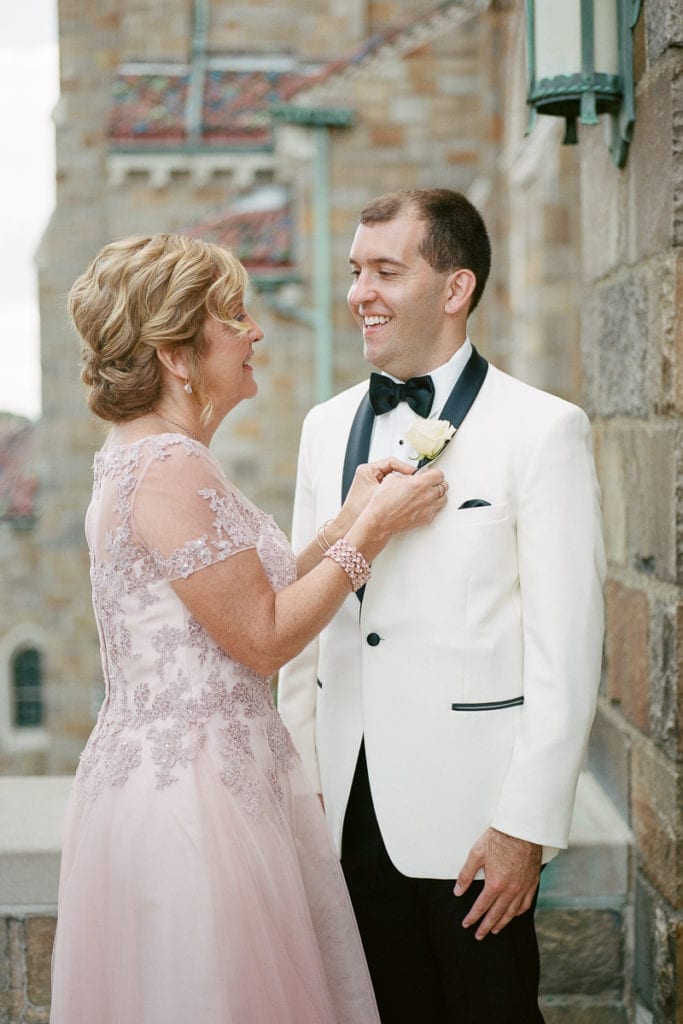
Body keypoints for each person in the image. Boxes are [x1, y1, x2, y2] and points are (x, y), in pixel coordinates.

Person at [49, 233, 448, 1024]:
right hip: (192, 801)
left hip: (210, 775)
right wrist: (372, 535)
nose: (253, 331)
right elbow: (264, 637)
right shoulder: (167, 467)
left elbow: (243, 598)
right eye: (232, 315)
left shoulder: (157, 459)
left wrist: (349, 513)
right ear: (174, 353)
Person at [277, 188, 606, 1024]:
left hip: (473, 828)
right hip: (346, 817)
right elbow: (305, 627)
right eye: (356, 272)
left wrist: (523, 827)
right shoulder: (323, 427)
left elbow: (565, 651)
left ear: (454, 289)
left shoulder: (543, 430)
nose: (360, 293)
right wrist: (302, 793)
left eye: (386, 270)